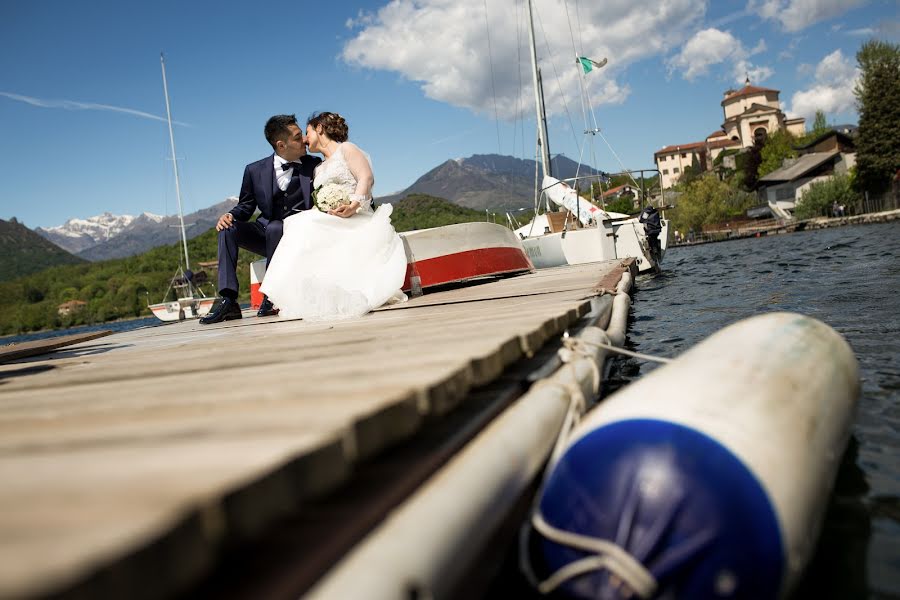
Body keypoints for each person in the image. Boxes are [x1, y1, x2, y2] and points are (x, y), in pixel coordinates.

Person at [259, 112, 407, 321]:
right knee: (297, 221)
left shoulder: (346, 149)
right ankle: (284, 294)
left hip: (356, 216)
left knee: (300, 222)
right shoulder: (318, 168)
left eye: (307, 132)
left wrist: (353, 205)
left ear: (319, 129)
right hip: (331, 219)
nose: (303, 139)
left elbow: (366, 177)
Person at [200, 114, 322, 324]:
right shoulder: (254, 170)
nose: (303, 140)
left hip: (300, 236)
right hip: (266, 235)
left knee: (276, 227)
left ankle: (271, 296)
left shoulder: (313, 164)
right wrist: (230, 215)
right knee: (228, 228)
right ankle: (229, 300)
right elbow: (246, 207)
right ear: (281, 144)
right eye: (297, 137)